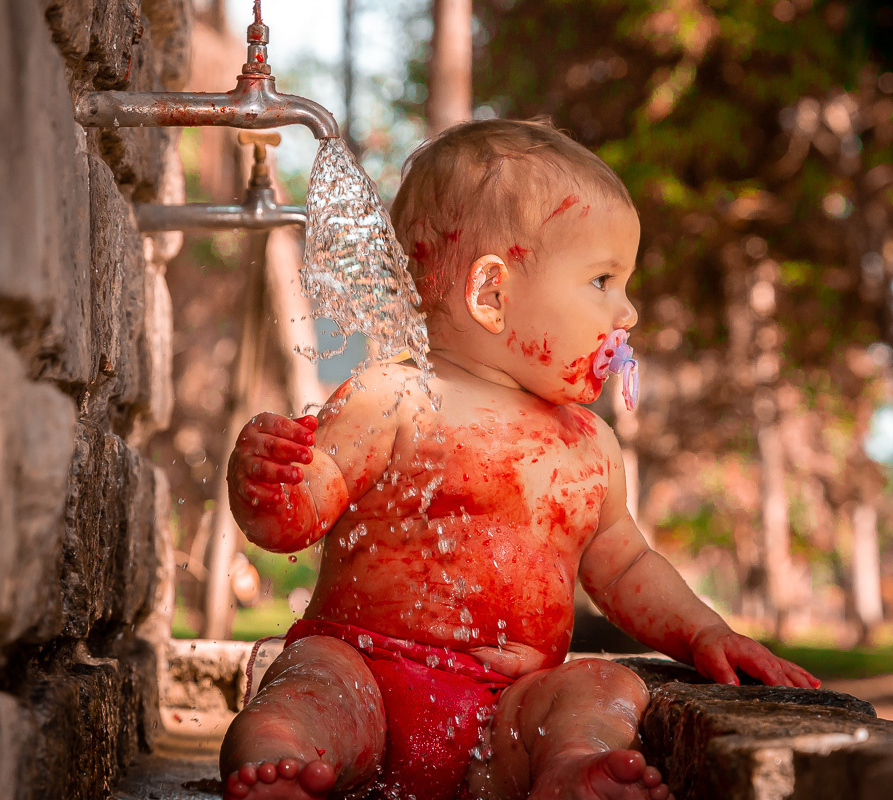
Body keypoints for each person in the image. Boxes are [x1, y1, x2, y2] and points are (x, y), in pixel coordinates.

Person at [219, 119, 818, 800]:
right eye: (602, 281)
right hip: (366, 678)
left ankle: (568, 769)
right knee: (310, 685)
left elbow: (624, 567)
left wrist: (705, 632)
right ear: (492, 295)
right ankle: (279, 760)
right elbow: (290, 522)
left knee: (604, 685)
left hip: (502, 722)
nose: (627, 314)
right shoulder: (390, 397)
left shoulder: (591, 446)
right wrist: (267, 481)